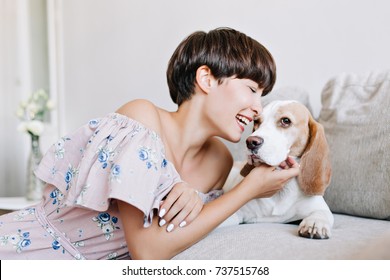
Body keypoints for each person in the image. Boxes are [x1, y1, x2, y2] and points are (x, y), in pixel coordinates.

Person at [0, 27, 299, 260]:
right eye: (251, 89)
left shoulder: (219, 161)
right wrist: (250, 190)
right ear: (206, 79)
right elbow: (148, 252)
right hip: (23, 251)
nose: (258, 108)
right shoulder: (141, 118)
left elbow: (174, 234)